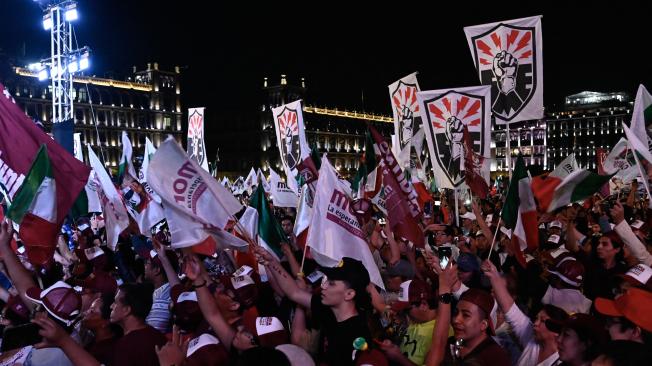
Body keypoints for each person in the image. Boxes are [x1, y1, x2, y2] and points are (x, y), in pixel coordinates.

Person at [256, 246, 373, 366]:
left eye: (331, 283)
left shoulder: (358, 335)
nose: (324, 286)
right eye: (326, 280)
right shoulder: (328, 308)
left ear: (349, 294)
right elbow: (294, 292)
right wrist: (271, 262)